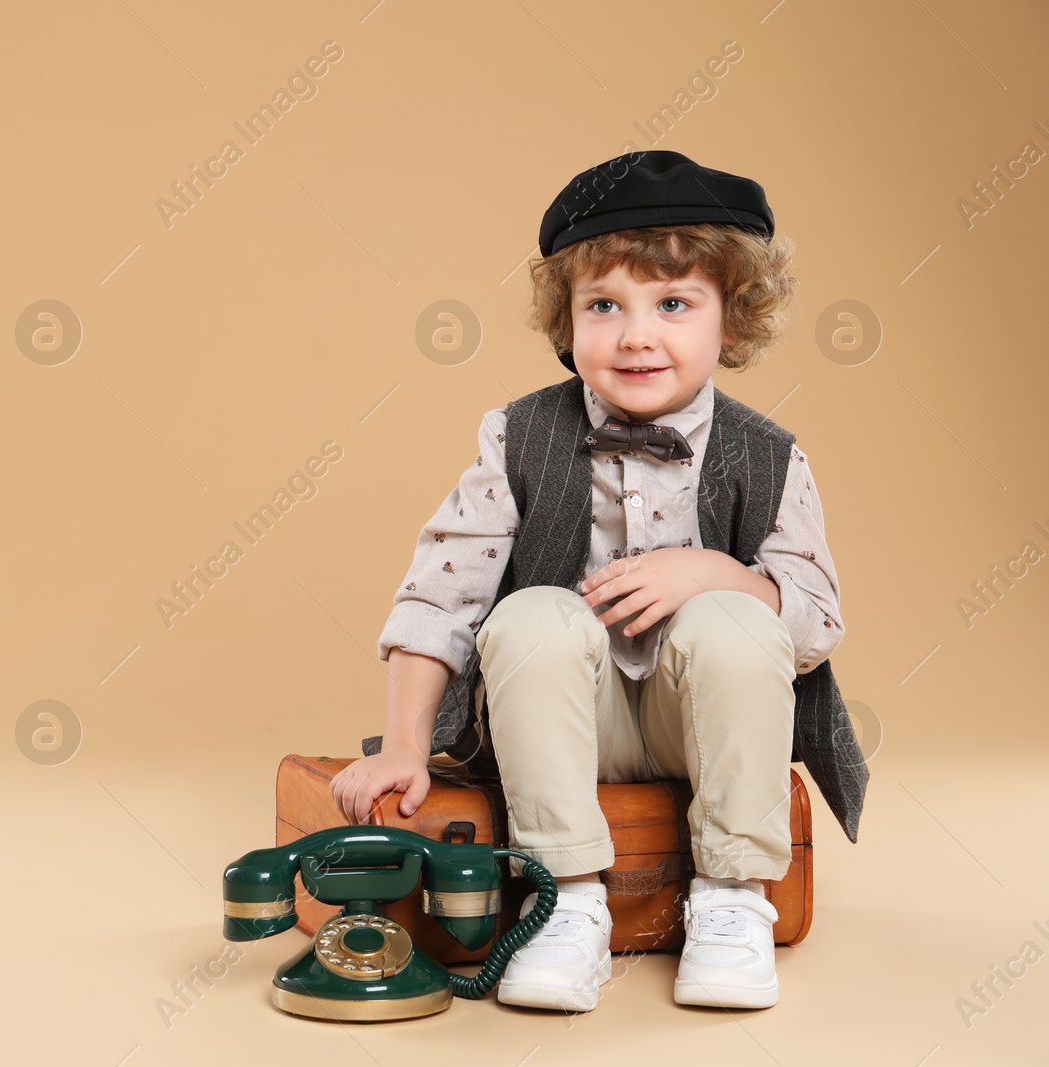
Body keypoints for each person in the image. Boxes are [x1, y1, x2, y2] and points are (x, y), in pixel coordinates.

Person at [330, 150, 868, 1012]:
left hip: (705, 728)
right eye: (604, 305)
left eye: (675, 304)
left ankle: (732, 897)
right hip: (560, 728)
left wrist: (716, 572)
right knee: (530, 614)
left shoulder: (770, 455)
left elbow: (814, 623)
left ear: (732, 322)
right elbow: (442, 595)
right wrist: (402, 745)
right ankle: (567, 898)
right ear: (566, 319)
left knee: (736, 618)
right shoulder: (519, 435)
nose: (636, 334)